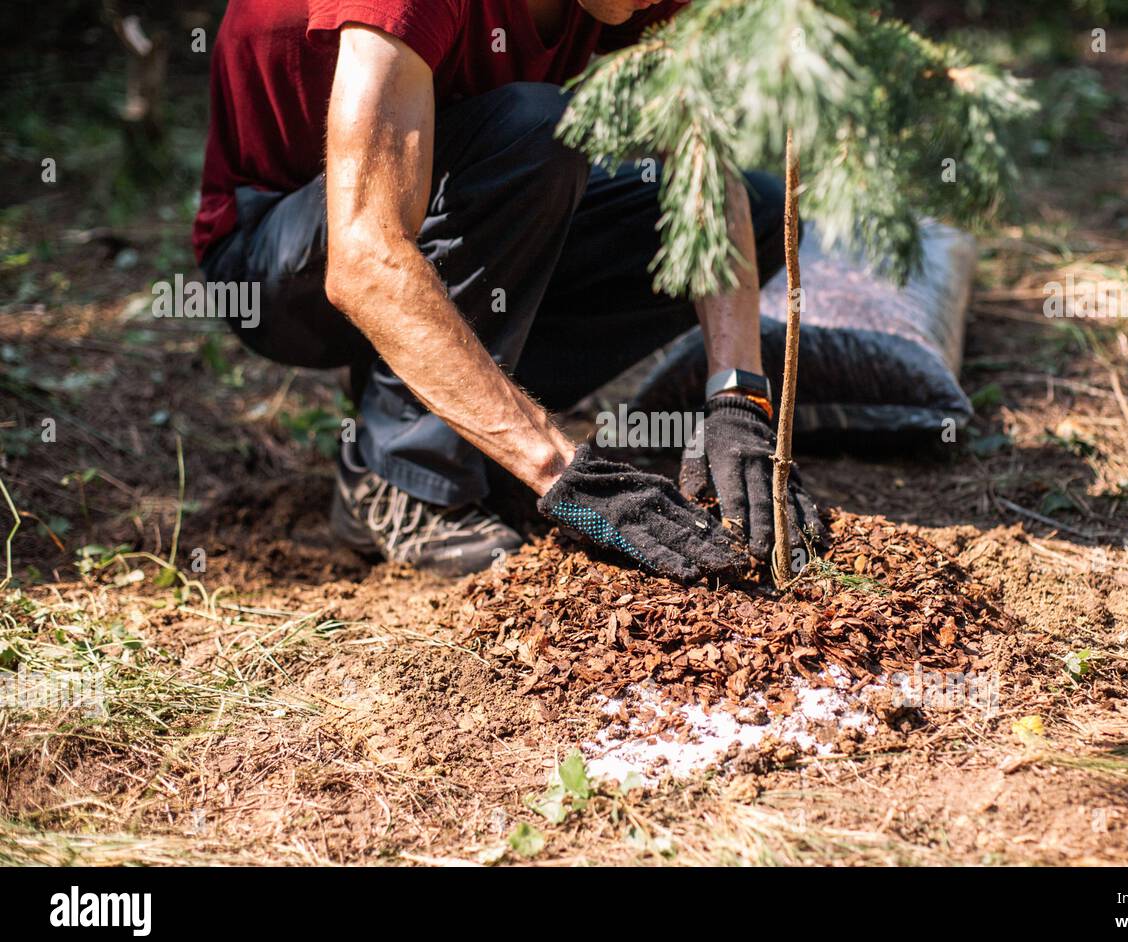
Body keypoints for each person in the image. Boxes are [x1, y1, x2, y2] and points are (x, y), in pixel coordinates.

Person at [195, 0, 823, 581]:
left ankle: (466, 418)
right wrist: (560, 473)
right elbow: (363, 257)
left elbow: (699, 160)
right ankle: (401, 476)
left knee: (759, 211)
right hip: (276, 259)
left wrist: (738, 398)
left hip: (450, 210)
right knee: (542, 131)